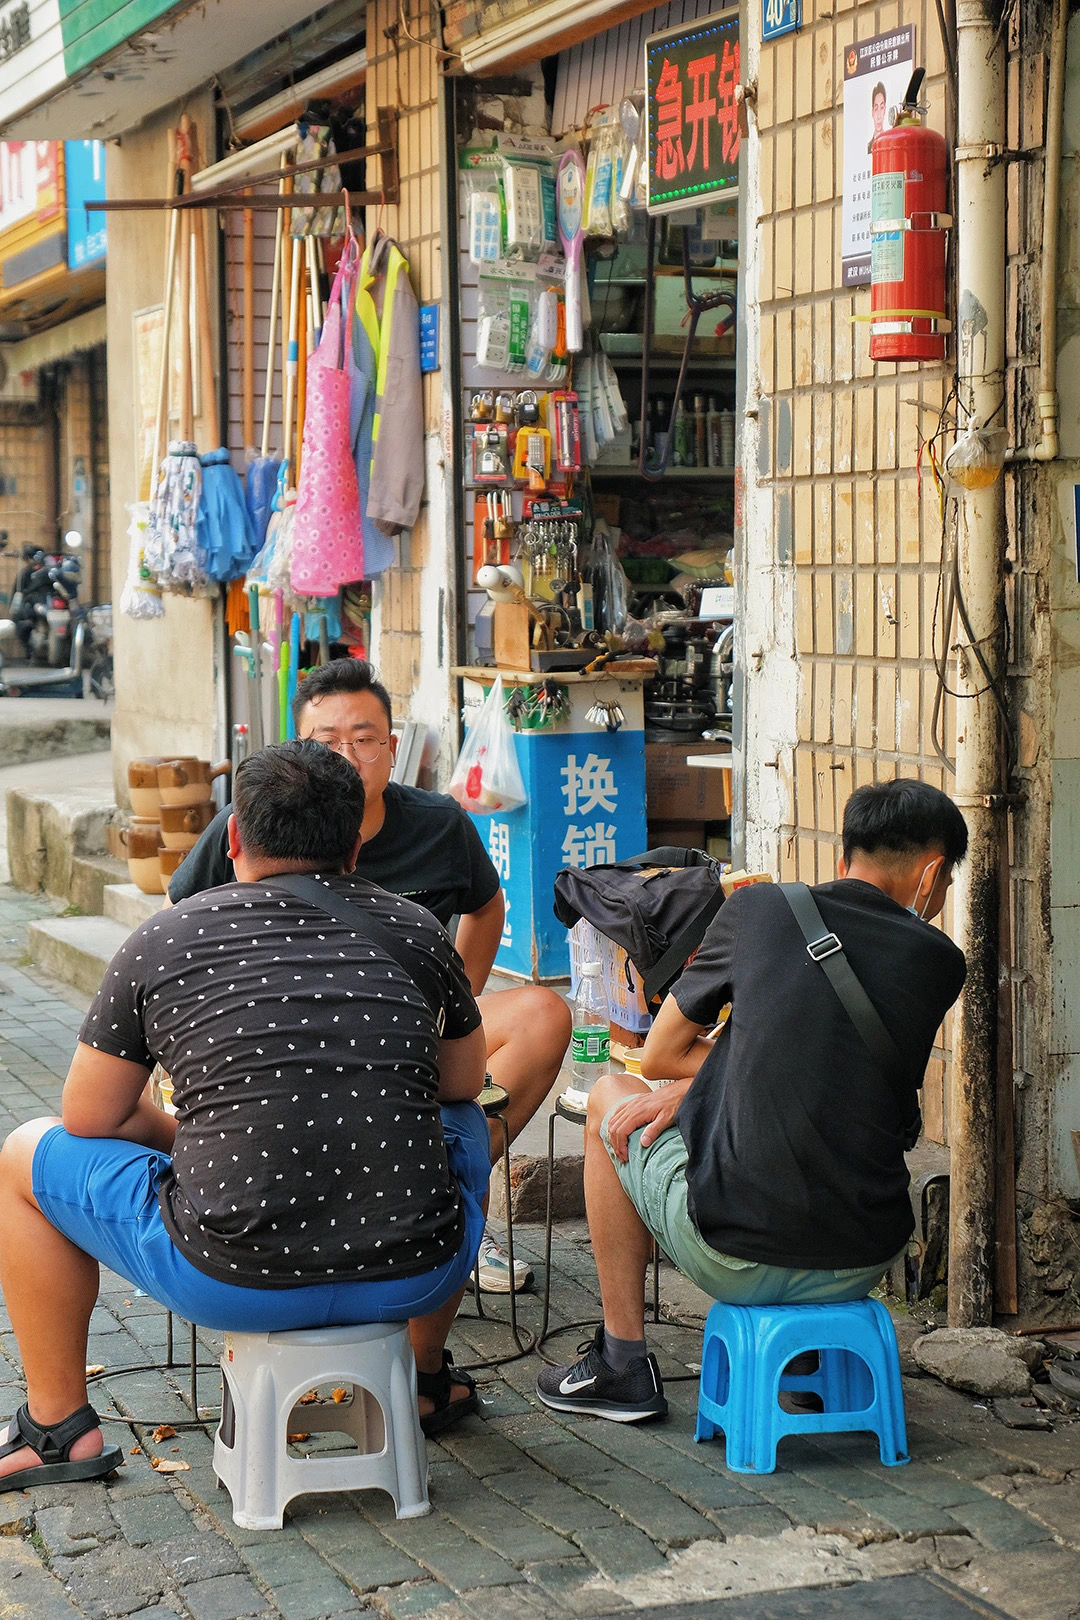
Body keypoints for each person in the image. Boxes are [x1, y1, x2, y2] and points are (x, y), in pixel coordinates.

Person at [0, 741, 494, 1490]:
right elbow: (463, 1081)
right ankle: (425, 1377)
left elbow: (90, 1116)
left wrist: (183, 1137)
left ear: (231, 837)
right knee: (464, 1121)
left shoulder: (164, 938)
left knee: (22, 1155)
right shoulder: (419, 929)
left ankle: (56, 1428)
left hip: (228, 1276)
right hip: (417, 1272)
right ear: (354, 848)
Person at [537, 779, 968, 1423]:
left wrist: (697, 1084)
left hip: (735, 1256)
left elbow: (658, 1055)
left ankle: (622, 1365)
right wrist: (717, 1079)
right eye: (948, 881)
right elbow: (833, 1067)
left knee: (608, 1096)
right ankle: (807, 1362)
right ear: (931, 874)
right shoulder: (941, 964)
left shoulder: (759, 909)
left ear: (843, 857)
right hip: (862, 1256)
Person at [169, 659, 571, 1294]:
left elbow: (486, 905)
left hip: (404, 1036)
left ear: (393, 745)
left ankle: (449, 1197)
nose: (348, 757)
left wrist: (456, 1002)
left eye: (364, 739)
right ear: (297, 751)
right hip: (276, 1043)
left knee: (544, 1013)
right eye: (327, 741)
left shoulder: (438, 824)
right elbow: (181, 924)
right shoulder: (254, 823)